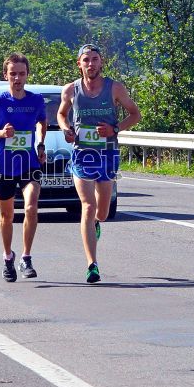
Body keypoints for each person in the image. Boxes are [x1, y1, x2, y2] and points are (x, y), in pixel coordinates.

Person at [57, 44, 141, 283]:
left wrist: (114, 129)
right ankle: (92, 264)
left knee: (102, 213)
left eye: (95, 59)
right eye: (86, 60)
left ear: (101, 62)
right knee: (87, 205)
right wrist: (66, 129)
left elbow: (135, 114)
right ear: (79, 64)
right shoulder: (70, 90)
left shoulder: (114, 88)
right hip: (82, 154)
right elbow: (61, 114)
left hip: (107, 154)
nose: (91, 64)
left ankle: (96, 223)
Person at [0, 52, 47, 282]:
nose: (17, 78)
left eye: (21, 74)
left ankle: (26, 257)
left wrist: (41, 144)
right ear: (5, 75)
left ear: (27, 75)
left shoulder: (36, 100)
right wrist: (0, 133)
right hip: (5, 166)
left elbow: (42, 121)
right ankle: (8, 257)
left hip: (29, 164)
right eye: (13, 74)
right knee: (6, 216)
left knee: (31, 207)